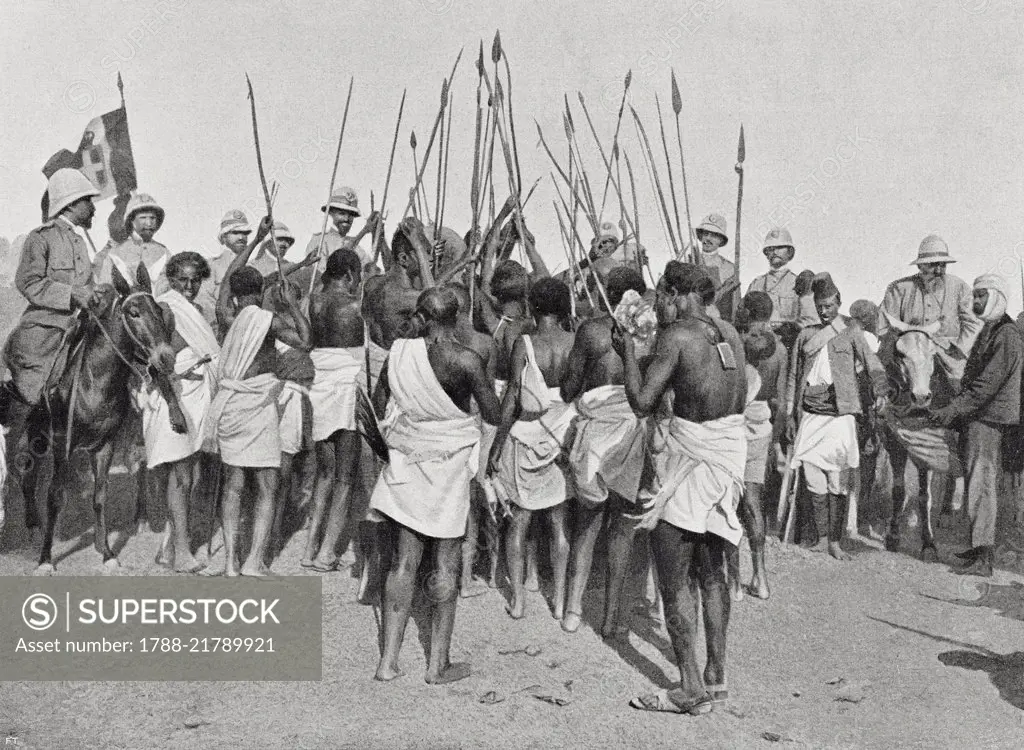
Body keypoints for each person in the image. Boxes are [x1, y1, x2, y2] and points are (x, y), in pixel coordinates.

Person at [612, 261, 746, 715]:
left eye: (663, 298)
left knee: (674, 578)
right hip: (724, 462)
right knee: (712, 573)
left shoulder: (678, 335)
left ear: (674, 295)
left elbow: (641, 402)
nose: (662, 306)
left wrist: (629, 351)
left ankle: (689, 688)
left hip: (692, 463)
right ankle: (716, 674)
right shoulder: (730, 334)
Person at [370, 286, 502, 684]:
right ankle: (437, 665)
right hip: (448, 466)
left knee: (404, 562)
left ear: (425, 318)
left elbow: (379, 408)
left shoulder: (398, 353)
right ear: (457, 317)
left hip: (408, 461)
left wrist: (406, 430)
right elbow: (493, 416)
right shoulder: (467, 360)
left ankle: (387, 663)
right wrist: (481, 465)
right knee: (445, 560)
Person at [205, 252, 311, 576]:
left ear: (234, 295)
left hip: (232, 407)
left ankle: (229, 563)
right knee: (267, 485)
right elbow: (306, 341)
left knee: (234, 485)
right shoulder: (269, 322)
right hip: (257, 406)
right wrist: (292, 303)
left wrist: (252, 243)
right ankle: (253, 562)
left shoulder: (226, 316)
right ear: (262, 291)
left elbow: (226, 282)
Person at [1, 169, 102, 497]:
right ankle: (24, 457)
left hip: (79, 328)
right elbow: (27, 282)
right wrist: (71, 294)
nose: (94, 208)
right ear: (72, 203)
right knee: (37, 396)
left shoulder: (81, 243)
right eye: (88, 201)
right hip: (45, 331)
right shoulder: (40, 237)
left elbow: (87, 289)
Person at [560, 265, 649, 637]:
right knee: (623, 530)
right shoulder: (651, 334)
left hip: (596, 438)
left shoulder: (592, 331)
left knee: (587, 523)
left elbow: (568, 389)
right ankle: (611, 618)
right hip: (632, 436)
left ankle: (572, 610)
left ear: (605, 293)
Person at [488, 278, 576, 620]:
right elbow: (576, 391)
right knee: (558, 523)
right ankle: (560, 601)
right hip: (562, 436)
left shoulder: (524, 344)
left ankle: (520, 601)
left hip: (525, 436)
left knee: (519, 521)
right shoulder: (573, 341)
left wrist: (497, 444)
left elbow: (511, 398)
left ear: (533, 307)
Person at [784, 274, 888, 561]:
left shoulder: (851, 331)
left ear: (838, 302)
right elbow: (794, 376)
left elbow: (872, 363)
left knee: (838, 480)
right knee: (813, 478)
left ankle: (835, 542)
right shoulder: (806, 336)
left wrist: (880, 389)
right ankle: (820, 538)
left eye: (829, 305)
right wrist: (790, 414)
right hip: (811, 415)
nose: (824, 311)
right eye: (820, 306)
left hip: (840, 416)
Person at [929, 274, 1023, 577]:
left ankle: (984, 558)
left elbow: (985, 385)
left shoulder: (1006, 334)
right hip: (979, 417)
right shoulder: (991, 329)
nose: (975, 301)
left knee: (982, 486)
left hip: (989, 420)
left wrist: (953, 409)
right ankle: (978, 545)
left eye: (982, 295)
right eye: (975, 296)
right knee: (976, 484)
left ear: (997, 297)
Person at [141, 252, 219, 573]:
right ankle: (183, 552)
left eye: (195, 280)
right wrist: (173, 406)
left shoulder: (199, 311)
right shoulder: (164, 309)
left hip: (198, 396)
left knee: (192, 476)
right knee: (182, 476)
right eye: (182, 280)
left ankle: (169, 546)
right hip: (173, 396)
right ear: (171, 280)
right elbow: (157, 364)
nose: (189, 286)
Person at [301, 248, 367, 572]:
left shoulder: (313, 301)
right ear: (351, 275)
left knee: (324, 471)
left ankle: (309, 548)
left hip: (319, 383)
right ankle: (327, 552)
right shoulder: (357, 306)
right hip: (345, 385)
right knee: (345, 475)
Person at [730, 291, 786, 600]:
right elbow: (781, 399)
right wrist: (775, 439)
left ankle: (734, 581)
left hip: (737, 422)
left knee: (730, 502)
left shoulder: (738, 342)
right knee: (753, 501)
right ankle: (761, 578)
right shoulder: (778, 349)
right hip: (763, 425)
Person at [876, 234, 982, 390]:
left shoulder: (959, 287)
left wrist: (958, 348)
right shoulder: (899, 288)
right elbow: (884, 325)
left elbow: (974, 323)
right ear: (920, 266)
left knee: (960, 392)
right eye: (933, 265)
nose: (939, 270)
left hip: (950, 357)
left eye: (943, 265)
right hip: (909, 357)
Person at [450, 282, 499, 598]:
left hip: (450, 427)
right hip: (475, 423)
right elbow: (489, 394)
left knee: (454, 501)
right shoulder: (484, 343)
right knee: (472, 501)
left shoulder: (438, 344)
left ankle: (458, 575)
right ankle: (467, 578)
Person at [194, 210, 270, 330]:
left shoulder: (254, 268)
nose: (241, 237)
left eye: (245, 233)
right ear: (223, 237)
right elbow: (203, 301)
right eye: (235, 232)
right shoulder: (210, 266)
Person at [93, 191, 171, 296]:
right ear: (132, 221)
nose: (149, 223)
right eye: (143, 218)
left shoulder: (164, 253)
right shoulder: (115, 254)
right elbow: (105, 292)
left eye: (152, 218)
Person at [298, 186, 382, 272]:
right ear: (331, 212)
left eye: (351, 215)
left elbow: (373, 273)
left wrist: (379, 233)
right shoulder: (320, 240)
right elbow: (322, 276)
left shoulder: (358, 249)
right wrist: (364, 231)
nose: (346, 219)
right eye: (342, 214)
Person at [746, 228, 801, 337]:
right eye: (771, 248)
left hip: (788, 340)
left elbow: (806, 320)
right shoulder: (756, 284)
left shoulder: (798, 283)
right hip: (760, 340)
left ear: (790, 252)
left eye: (780, 248)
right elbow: (745, 317)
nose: (775, 252)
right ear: (766, 253)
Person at [694, 213, 736, 319]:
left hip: (717, 320)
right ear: (700, 236)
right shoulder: (688, 259)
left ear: (721, 240)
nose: (708, 238)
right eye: (706, 234)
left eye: (713, 235)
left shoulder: (729, 268)